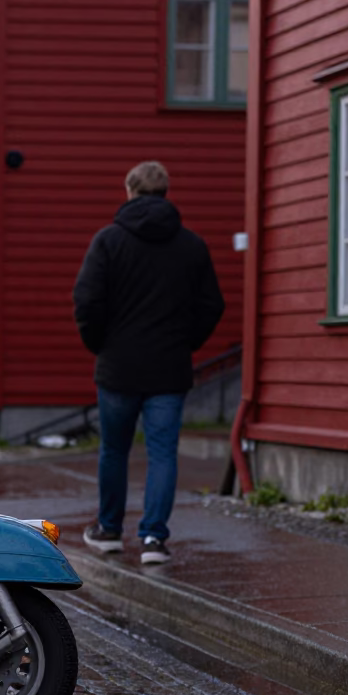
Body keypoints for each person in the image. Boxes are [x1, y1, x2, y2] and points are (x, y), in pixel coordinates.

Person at [73, 161, 225, 565]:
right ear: (165, 192)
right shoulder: (191, 245)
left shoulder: (108, 242)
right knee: (162, 454)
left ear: (129, 190)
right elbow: (212, 305)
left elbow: (86, 302)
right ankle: (154, 539)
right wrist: (185, 342)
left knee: (114, 451)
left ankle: (108, 530)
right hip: (169, 368)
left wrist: (100, 344)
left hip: (118, 366)